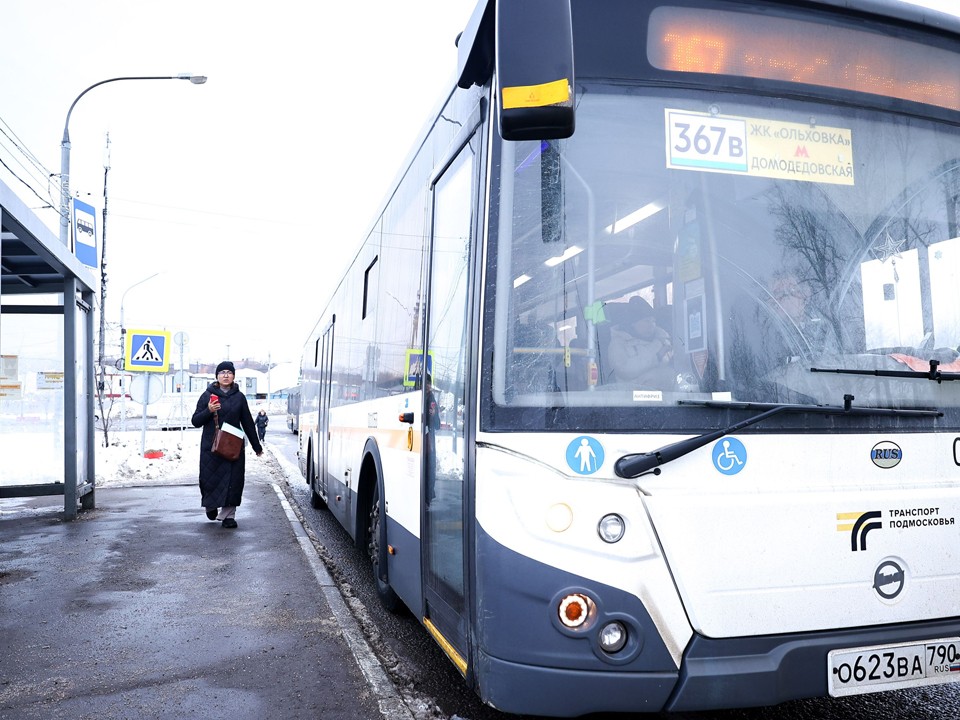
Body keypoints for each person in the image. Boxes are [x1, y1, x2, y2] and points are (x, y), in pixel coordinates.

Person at [191, 361, 263, 529]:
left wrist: (256, 446)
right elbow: (195, 421)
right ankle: (211, 505)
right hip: (211, 446)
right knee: (210, 479)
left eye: (229, 372)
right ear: (217, 376)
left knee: (234, 480)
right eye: (222, 372)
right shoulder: (207, 395)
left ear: (233, 376)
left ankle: (229, 516)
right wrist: (208, 410)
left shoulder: (239, 397)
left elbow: (248, 423)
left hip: (233, 445)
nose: (225, 375)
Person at [606, 296, 675, 388]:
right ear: (633, 323)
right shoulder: (618, 343)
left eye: (653, 321)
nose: (651, 325)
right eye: (646, 321)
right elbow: (625, 370)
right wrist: (657, 356)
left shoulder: (664, 339)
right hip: (632, 399)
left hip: (670, 398)